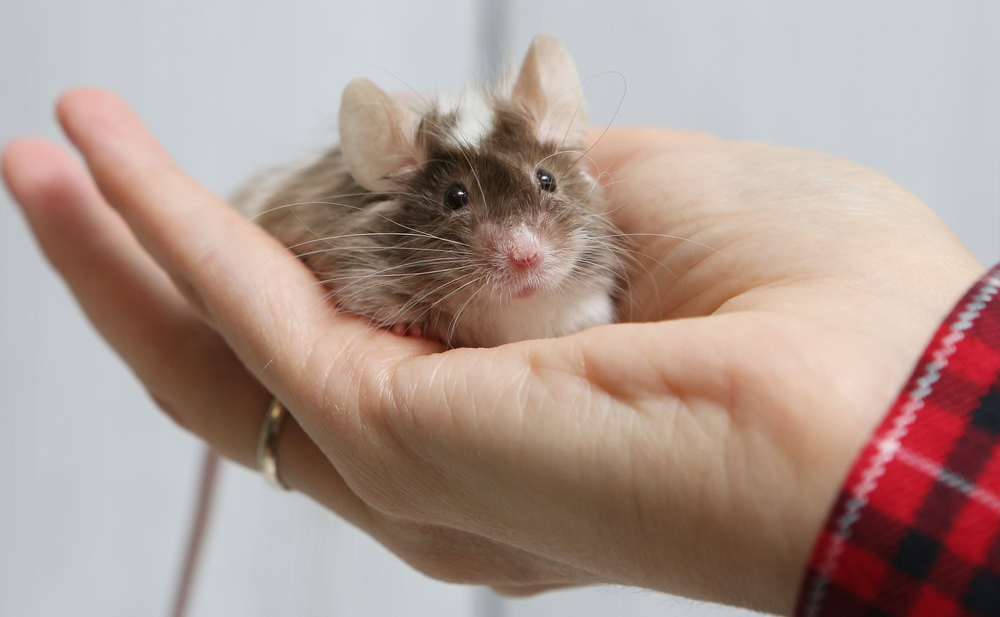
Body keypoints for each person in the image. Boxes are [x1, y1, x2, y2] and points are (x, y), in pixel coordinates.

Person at [3, 88, 996, 616]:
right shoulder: (381, 240)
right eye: (462, 203)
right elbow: (344, 271)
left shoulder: (590, 238)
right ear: (416, 188)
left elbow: (584, 283)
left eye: (542, 195)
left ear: (564, 177)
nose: (523, 246)